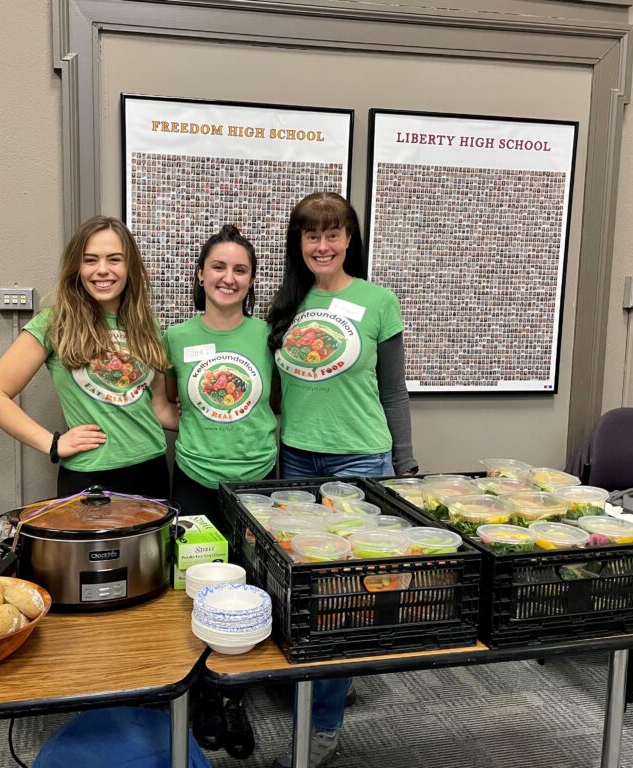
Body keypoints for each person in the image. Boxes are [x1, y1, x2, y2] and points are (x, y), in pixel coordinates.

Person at [266, 192, 418, 768]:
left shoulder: (379, 301)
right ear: (298, 244)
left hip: (360, 461)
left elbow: (395, 392)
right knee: (302, 589)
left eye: (333, 234)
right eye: (311, 236)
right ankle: (332, 678)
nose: (322, 245)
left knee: (343, 598)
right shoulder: (287, 303)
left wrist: (404, 467)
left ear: (350, 238)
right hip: (296, 461)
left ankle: (323, 729)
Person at [163, 224, 277, 759]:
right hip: (195, 479)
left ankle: (237, 699)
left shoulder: (268, 335)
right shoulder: (177, 337)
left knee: (253, 592)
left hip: (257, 480)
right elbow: (164, 404)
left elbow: (284, 400)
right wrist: (186, 430)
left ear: (251, 280)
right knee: (199, 591)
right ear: (201, 274)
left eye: (240, 269)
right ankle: (205, 695)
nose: (228, 277)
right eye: (219, 267)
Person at [0, 215, 176, 499]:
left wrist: (217, 420)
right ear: (77, 267)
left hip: (152, 470)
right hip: (88, 477)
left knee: (153, 547)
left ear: (129, 266)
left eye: (114, 259)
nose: (102, 270)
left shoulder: (147, 326)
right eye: (91, 260)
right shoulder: (54, 323)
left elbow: (158, 409)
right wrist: (53, 443)